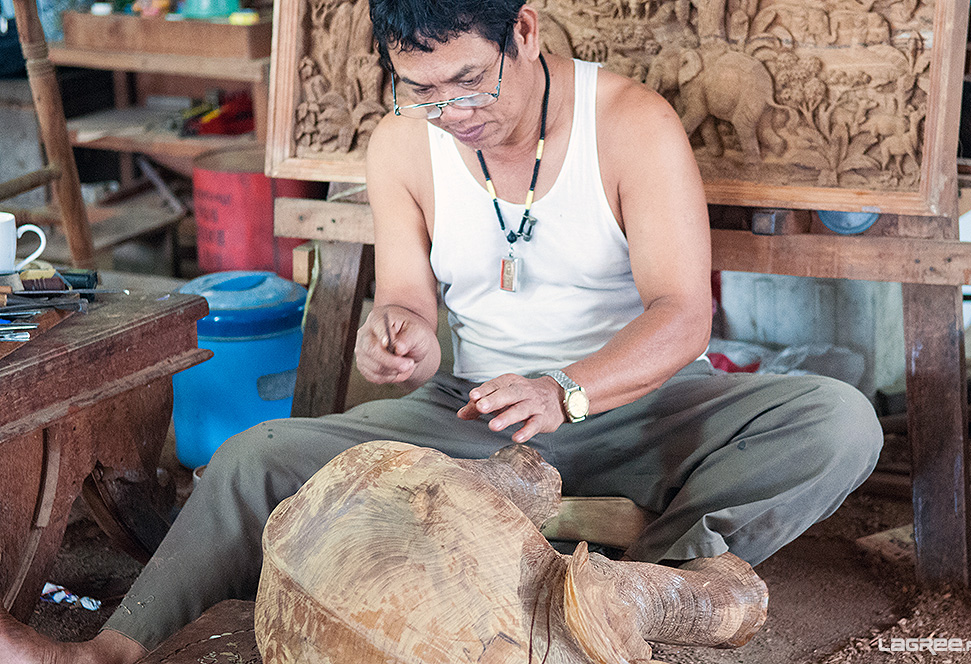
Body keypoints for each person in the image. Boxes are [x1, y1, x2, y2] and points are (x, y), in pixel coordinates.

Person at [0, 1, 882, 662]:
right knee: (252, 454)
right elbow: (410, 303)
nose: (454, 109)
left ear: (526, 32)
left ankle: (650, 574)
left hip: (636, 403)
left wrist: (566, 389)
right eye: (420, 88)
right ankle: (108, 653)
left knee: (839, 421)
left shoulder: (628, 125)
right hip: (473, 418)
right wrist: (398, 333)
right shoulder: (402, 146)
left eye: (471, 81)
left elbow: (683, 315)